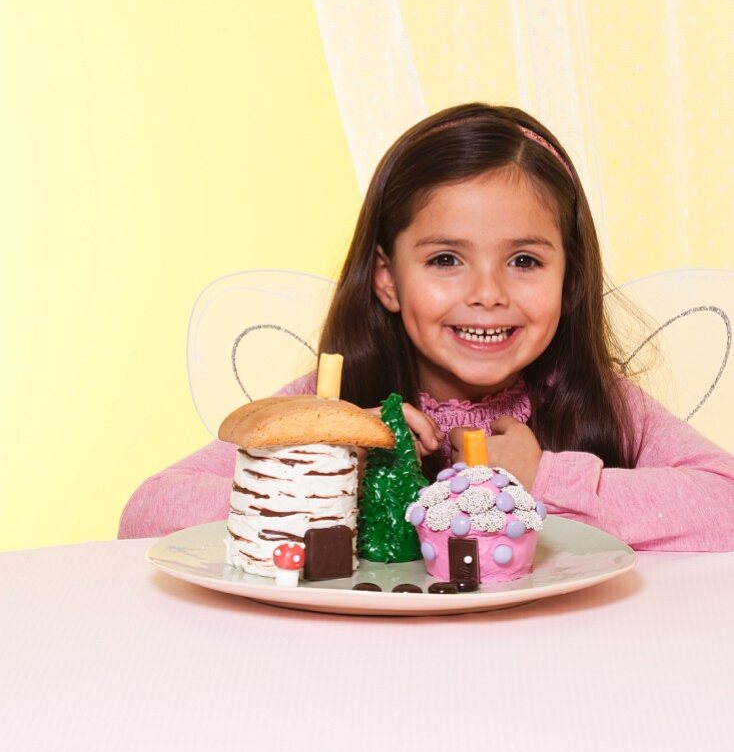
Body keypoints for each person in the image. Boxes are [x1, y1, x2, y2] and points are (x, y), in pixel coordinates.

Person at [119, 102, 734, 551]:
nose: (488, 294)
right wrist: (332, 478)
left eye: (524, 261)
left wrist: (544, 479)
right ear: (388, 279)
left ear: (569, 279)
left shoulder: (595, 402)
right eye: (446, 260)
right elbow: (147, 513)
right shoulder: (333, 407)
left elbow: (724, 507)